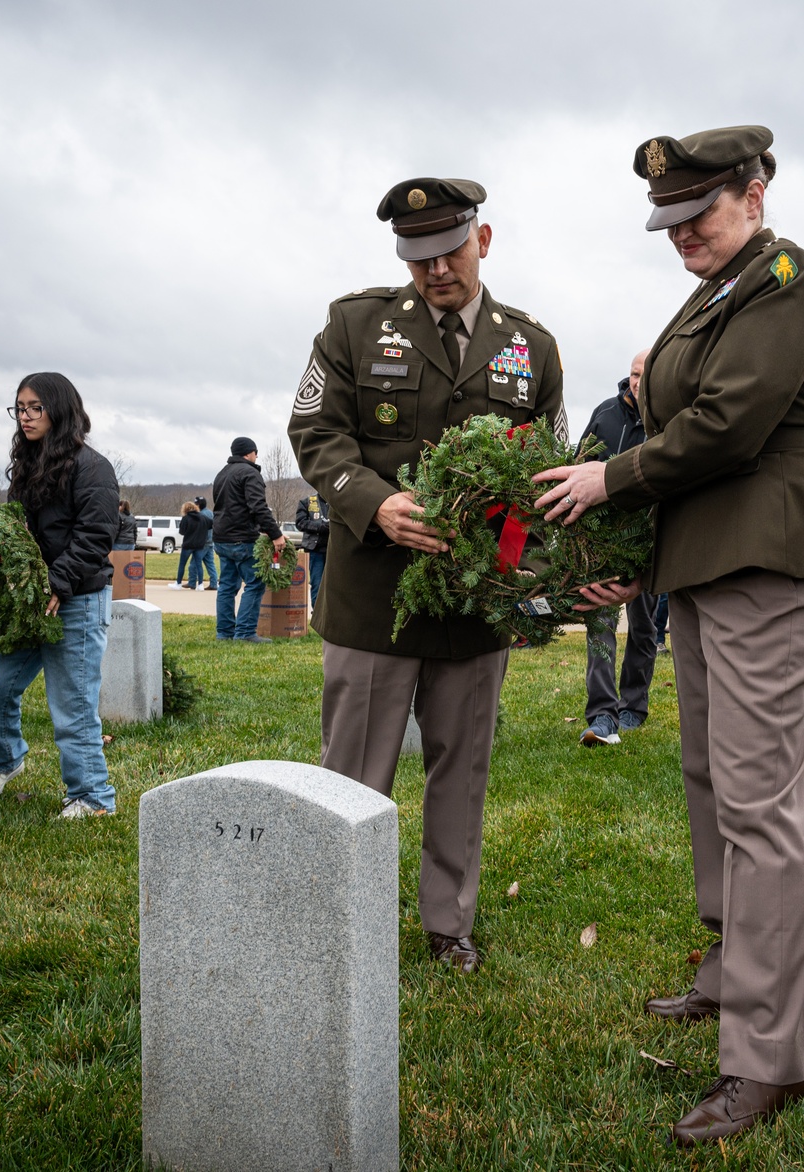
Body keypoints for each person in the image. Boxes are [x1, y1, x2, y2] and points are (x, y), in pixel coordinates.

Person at [534, 126, 804, 1145]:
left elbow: (724, 427)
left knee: (759, 807)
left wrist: (609, 480)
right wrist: (643, 558)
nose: (680, 235)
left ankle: (765, 1056)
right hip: (714, 562)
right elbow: (683, 424)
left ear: (754, 194)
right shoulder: (713, 292)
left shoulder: (782, 278)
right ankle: (729, 975)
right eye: (668, 222)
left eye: (699, 214)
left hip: (772, 558)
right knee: (713, 781)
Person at [288, 177, 566, 973]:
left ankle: (450, 926)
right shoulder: (355, 324)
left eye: (448, 251)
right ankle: (339, 918)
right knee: (353, 771)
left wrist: (528, 577)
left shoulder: (532, 347)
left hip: (475, 603)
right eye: (417, 258)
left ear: (484, 239)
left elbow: (545, 471)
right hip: (376, 595)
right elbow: (316, 432)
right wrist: (374, 504)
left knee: (462, 768)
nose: (435, 270)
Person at [0, 372, 118, 817]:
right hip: (36, 600)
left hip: (77, 598)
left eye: (36, 407)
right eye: (20, 408)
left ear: (60, 410)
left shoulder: (92, 467)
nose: (26, 417)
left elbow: (96, 534)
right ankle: (5, 761)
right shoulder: (31, 464)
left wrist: (58, 582)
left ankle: (92, 798)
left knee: (72, 706)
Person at [576, 348, 658, 745]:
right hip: (604, 542)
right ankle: (602, 715)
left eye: (646, 374)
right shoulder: (606, 414)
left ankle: (633, 707)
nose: (638, 382)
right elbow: (580, 462)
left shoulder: (667, 420)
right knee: (601, 626)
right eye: (634, 374)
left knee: (644, 627)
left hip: (647, 543)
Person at [211, 437, 286, 642]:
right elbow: (258, 507)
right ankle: (244, 633)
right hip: (242, 538)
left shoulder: (222, 474)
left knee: (226, 586)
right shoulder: (250, 473)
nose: (257, 456)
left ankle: (224, 633)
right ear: (248, 453)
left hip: (221, 537)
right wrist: (276, 534)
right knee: (255, 583)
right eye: (256, 452)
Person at [296, 491, 329, 610]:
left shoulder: (336, 502)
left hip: (334, 551)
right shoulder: (307, 502)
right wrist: (319, 527)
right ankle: (317, 614)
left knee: (334, 585)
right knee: (317, 583)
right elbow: (300, 523)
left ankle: (331, 617)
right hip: (315, 550)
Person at [172, 501, 208, 591]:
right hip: (200, 544)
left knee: (182, 564)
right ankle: (200, 584)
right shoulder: (203, 518)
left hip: (188, 544)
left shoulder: (186, 518)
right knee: (199, 564)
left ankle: (178, 583)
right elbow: (211, 525)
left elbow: (182, 532)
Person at [194, 495, 219, 590]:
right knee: (210, 564)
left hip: (202, 543)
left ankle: (192, 582)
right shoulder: (210, 513)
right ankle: (213, 583)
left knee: (194, 564)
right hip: (210, 542)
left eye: (196, 504)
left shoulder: (200, 515)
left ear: (199, 505)